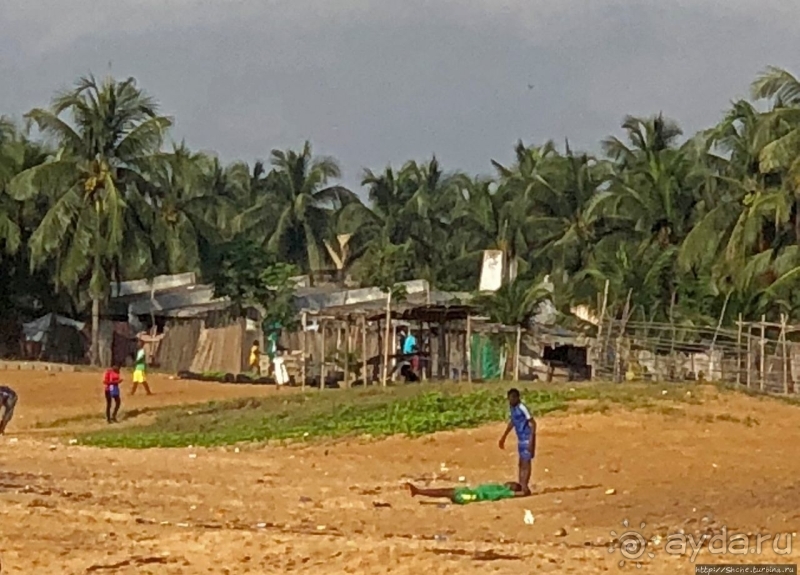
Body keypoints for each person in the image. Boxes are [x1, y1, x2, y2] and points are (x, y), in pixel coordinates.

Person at [498, 388, 536, 496]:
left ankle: (525, 486)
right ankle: (521, 485)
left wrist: (531, 441)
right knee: (521, 463)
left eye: (512, 398)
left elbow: (533, 423)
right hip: (520, 438)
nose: (510, 401)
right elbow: (513, 422)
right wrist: (504, 437)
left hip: (527, 437)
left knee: (526, 463)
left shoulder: (522, 408)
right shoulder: (513, 408)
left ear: (517, 398)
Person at [406, 481, 528, 504]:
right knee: (444, 491)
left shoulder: (503, 492)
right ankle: (418, 491)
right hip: (470, 492)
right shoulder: (499, 487)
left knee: (445, 493)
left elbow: (521, 494)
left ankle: (419, 491)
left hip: (472, 495)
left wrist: (525, 491)